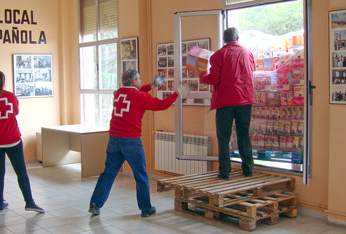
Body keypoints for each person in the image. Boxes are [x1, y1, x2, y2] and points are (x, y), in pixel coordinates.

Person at [88, 70, 188, 217]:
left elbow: (135, 94)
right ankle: (146, 208)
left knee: (108, 173)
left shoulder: (118, 93)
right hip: (131, 141)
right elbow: (161, 105)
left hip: (114, 139)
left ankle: (95, 204)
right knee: (140, 175)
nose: (141, 81)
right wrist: (177, 93)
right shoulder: (139, 96)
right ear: (134, 82)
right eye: (139, 79)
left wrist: (152, 85)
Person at [0, 70, 44, 213]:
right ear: (3, 81)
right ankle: (29, 202)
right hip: (12, 140)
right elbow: (15, 112)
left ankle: (0, 203)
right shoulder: (11, 97)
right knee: (21, 172)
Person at [194, 27, 255, 180]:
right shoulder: (248, 53)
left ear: (224, 39)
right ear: (238, 38)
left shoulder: (218, 55)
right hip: (245, 100)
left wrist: (201, 75)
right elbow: (251, 71)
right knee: (243, 134)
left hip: (225, 101)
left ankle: (225, 172)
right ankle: (248, 168)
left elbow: (214, 79)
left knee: (224, 137)